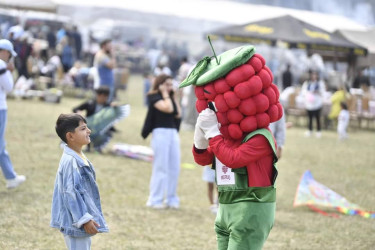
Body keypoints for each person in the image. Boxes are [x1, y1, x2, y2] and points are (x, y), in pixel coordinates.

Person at [51, 113, 109, 249]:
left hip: (78, 220)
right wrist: (84, 219)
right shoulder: (71, 161)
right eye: (83, 129)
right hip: (76, 221)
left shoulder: (78, 155)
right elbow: (71, 192)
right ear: (70, 136)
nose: (89, 131)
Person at [141, 74, 181, 209]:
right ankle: (155, 199)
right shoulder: (153, 96)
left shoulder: (169, 97)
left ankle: (171, 198)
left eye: (171, 84)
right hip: (160, 133)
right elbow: (167, 108)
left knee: (174, 167)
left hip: (173, 132)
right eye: (167, 84)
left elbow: (177, 113)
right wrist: (164, 93)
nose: (170, 87)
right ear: (160, 84)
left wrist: (173, 96)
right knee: (161, 167)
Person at [0, 39, 26, 189]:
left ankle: (11, 176)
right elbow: (9, 87)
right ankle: (11, 177)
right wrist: (9, 71)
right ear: (6, 52)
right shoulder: (2, 65)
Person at [301, 70, 326, 138]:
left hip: (317, 103)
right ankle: (310, 130)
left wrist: (317, 92)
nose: (314, 76)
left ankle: (318, 131)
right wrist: (308, 94)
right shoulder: (307, 83)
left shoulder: (320, 83)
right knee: (310, 118)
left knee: (317, 118)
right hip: (309, 103)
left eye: (315, 75)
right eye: (313, 75)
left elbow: (323, 92)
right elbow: (303, 91)